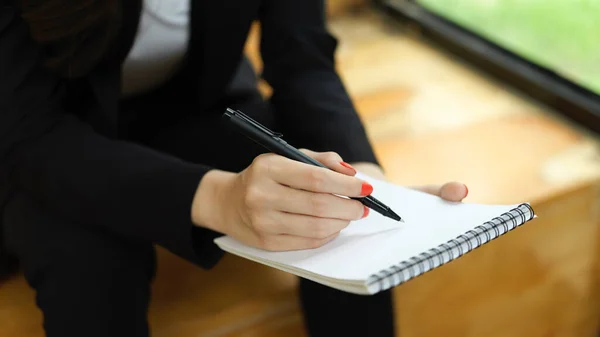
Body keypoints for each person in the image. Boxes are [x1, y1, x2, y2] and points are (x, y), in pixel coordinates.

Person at [0, 0, 469, 336]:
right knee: (87, 260)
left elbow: (302, 61)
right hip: (40, 134)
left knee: (332, 204)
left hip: (195, 106)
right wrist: (215, 198)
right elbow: (28, 134)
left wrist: (363, 175)